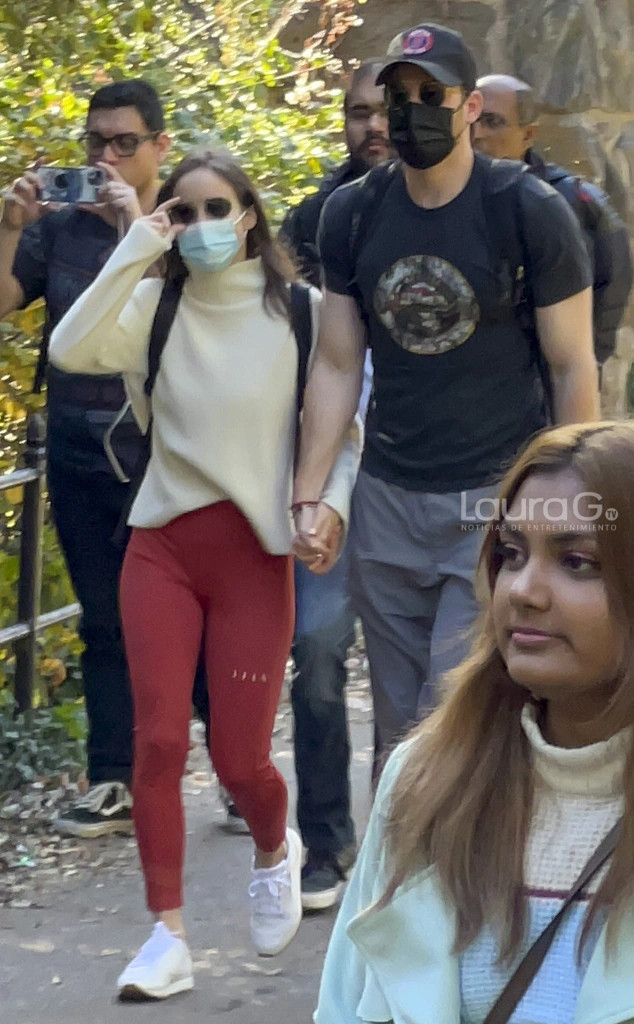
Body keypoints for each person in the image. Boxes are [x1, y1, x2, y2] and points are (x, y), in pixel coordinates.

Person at [48, 146, 360, 999]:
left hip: (255, 556)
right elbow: (69, 347)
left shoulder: (302, 313)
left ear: (249, 216)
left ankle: (275, 846)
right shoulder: (153, 304)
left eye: (217, 209)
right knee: (155, 740)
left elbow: (343, 431)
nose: (201, 226)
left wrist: (326, 505)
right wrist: (137, 244)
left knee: (240, 760)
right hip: (163, 546)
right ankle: (167, 934)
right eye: (183, 213)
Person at [292, 22, 600, 782]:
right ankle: (397, 856)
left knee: (454, 708)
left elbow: (571, 364)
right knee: (398, 725)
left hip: (493, 502)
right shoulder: (352, 213)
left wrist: (572, 505)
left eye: (432, 94)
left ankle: (472, 851)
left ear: (469, 107)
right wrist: (311, 494)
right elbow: (337, 361)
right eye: (398, 96)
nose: (412, 111)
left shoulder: (527, 210)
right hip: (388, 501)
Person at [315, 419, 634, 1023]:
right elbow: (341, 1006)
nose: (524, 591)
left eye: (576, 562)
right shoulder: (422, 781)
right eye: (511, 555)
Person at [0, 80, 171, 837]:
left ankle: (234, 767)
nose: (107, 157)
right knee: (104, 619)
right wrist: (11, 226)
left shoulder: (186, 218)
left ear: (159, 147)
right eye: (95, 142)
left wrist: (137, 226)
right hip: (76, 448)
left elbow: (189, 314)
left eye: (124, 143)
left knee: (182, 618)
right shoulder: (60, 230)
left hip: (168, 453)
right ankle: (112, 780)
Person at [276, 62, 392, 910]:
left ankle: (408, 843)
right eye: (358, 112)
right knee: (316, 652)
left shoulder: (482, 209)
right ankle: (327, 841)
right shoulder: (312, 221)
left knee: (417, 676)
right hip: (332, 466)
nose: (374, 125)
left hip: (428, 475)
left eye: (388, 110)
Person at [474, 73, 633, 370]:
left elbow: (611, 282)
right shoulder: (448, 193)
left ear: (528, 135)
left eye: (492, 122)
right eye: (471, 120)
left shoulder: (568, 201)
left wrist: (579, 366)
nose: (477, 134)